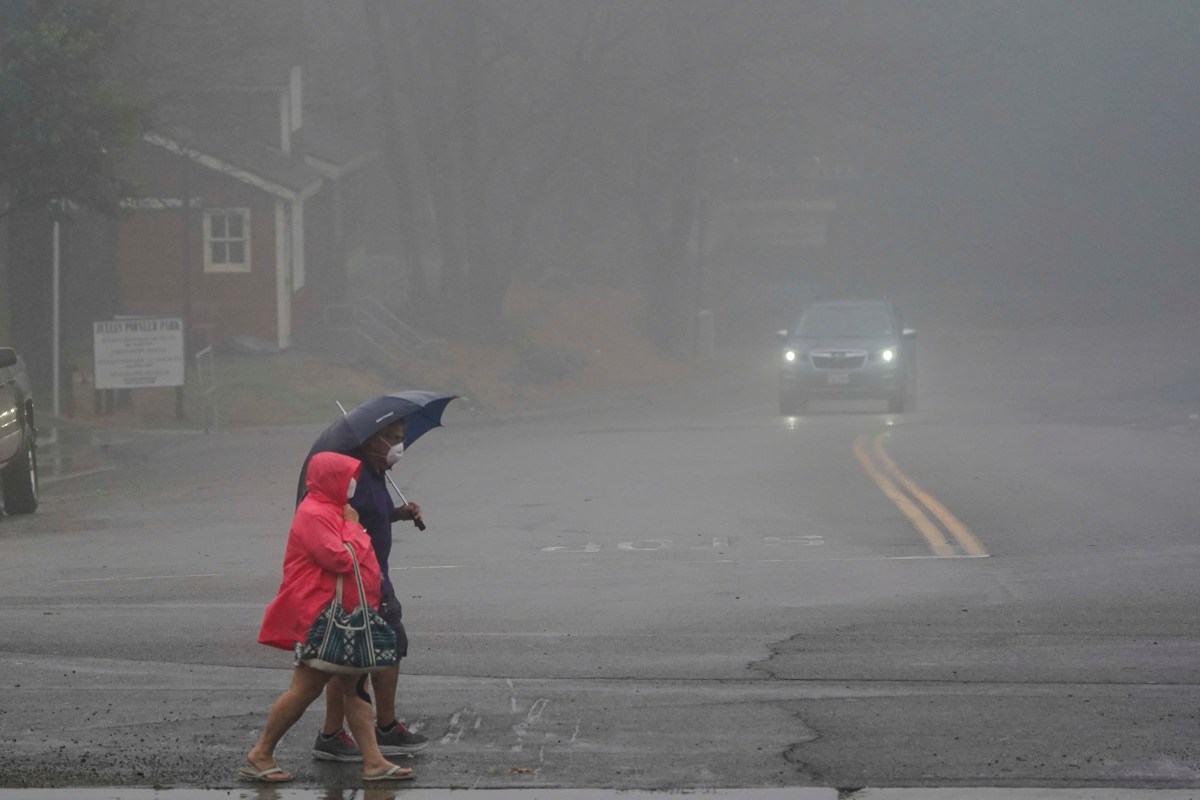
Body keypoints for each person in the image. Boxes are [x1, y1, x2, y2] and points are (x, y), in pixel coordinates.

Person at [243, 451, 413, 783]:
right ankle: (260, 754)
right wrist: (353, 528)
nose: (352, 482)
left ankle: (373, 761)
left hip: (345, 618)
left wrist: (351, 525)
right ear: (328, 478)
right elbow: (340, 558)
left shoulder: (336, 511)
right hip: (320, 620)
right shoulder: (314, 514)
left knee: (355, 688)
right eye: (346, 475)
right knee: (305, 689)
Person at [298, 417, 430, 761]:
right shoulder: (351, 476)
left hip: (375, 575)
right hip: (362, 581)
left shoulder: (376, 472)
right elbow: (341, 527)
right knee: (359, 657)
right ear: (373, 440)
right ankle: (354, 732)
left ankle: (363, 731)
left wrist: (400, 513)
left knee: (370, 653)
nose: (399, 445)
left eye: (402, 437)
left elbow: (377, 513)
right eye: (394, 438)